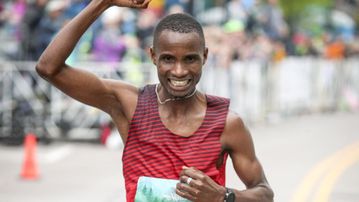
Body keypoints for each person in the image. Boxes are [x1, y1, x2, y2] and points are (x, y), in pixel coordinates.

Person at [36, 0, 274, 201]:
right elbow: (49, 68)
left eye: (190, 59)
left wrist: (223, 196)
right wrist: (102, 3)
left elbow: (264, 193)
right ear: (152, 56)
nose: (179, 71)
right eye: (168, 59)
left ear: (204, 56)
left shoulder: (227, 124)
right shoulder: (130, 104)